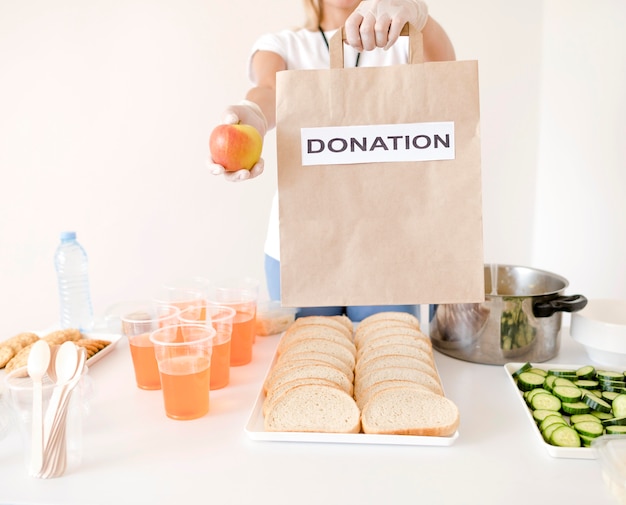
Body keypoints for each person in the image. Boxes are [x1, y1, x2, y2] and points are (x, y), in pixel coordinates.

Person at [209, 0, 456, 321]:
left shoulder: (403, 41)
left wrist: (419, 17)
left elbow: (447, 77)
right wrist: (252, 116)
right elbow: (270, 89)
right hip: (301, 243)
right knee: (307, 362)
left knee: (389, 357)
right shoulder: (282, 45)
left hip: (389, 243)